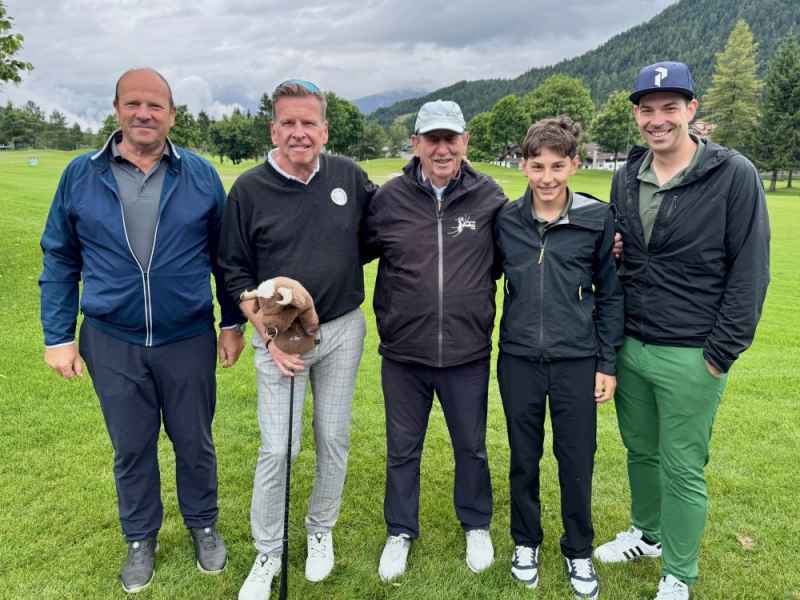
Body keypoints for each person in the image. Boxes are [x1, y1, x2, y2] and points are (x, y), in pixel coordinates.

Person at [39, 68, 245, 594]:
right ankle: (139, 537)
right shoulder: (81, 175)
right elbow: (60, 257)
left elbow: (225, 258)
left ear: (172, 115)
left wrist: (232, 322)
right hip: (112, 338)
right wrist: (58, 336)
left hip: (187, 336)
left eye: (155, 105)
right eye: (133, 104)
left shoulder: (199, 175)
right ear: (116, 110)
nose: (144, 114)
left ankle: (203, 524)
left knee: (194, 441)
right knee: (132, 446)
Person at [594, 61, 770, 600]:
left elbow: (750, 271)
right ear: (636, 115)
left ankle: (679, 572)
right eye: (647, 109)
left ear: (691, 110)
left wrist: (720, 353)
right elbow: (623, 257)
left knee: (682, 466)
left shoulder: (733, 174)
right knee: (641, 452)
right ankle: (646, 535)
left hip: (693, 353)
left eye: (670, 107)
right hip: (632, 345)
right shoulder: (627, 175)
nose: (658, 119)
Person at [218, 79, 376, 599]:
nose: (299, 132)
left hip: (342, 329)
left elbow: (378, 234)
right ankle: (268, 551)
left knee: (332, 438)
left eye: (309, 122)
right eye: (288, 122)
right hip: (280, 336)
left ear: (325, 130)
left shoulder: (348, 176)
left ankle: (320, 530)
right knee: (279, 448)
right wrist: (268, 336)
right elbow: (233, 270)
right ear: (274, 129)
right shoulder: (249, 189)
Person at [363, 100, 507, 581]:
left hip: (467, 352)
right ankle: (400, 530)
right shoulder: (389, 199)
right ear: (416, 144)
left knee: (471, 446)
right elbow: (348, 251)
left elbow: (514, 256)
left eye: (450, 139)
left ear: (465, 142)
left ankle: (476, 523)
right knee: (403, 449)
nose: (442, 148)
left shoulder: (489, 197)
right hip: (404, 354)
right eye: (432, 139)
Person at [494, 116, 623, 599]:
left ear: (574, 164)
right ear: (523, 166)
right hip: (518, 359)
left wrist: (606, 364)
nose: (546, 177)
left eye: (556, 166)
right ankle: (525, 541)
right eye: (537, 166)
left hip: (577, 360)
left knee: (576, 459)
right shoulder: (506, 219)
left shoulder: (597, 218)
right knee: (523, 458)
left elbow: (610, 294)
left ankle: (578, 549)